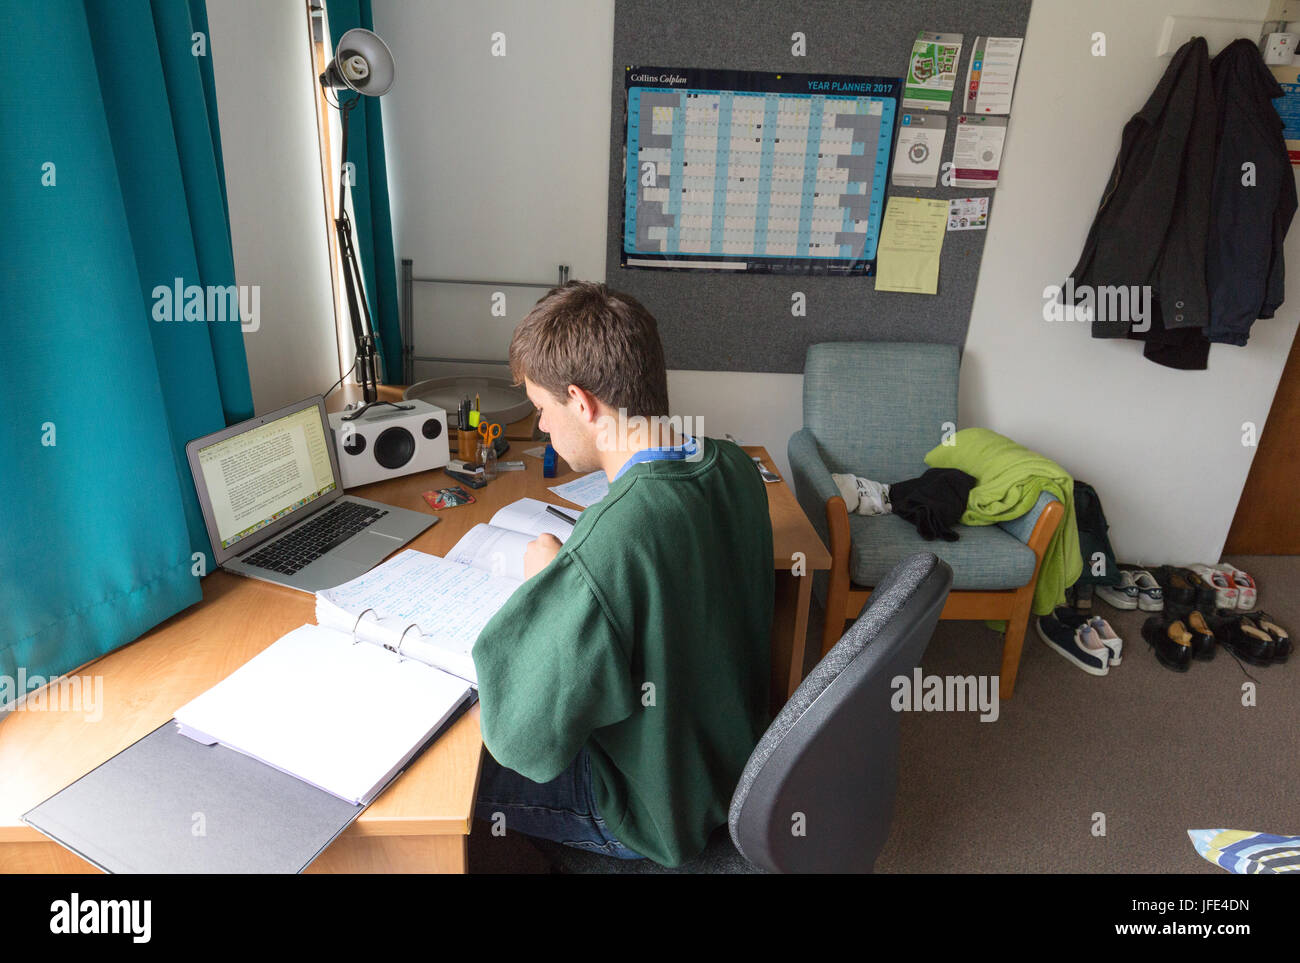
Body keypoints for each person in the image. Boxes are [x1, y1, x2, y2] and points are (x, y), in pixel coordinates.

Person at [471, 281, 774, 866]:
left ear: (582, 404)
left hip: (650, 811)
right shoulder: (735, 463)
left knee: (463, 774)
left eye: (542, 411)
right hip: (731, 762)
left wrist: (545, 583)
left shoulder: (609, 544)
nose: (541, 431)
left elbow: (518, 738)